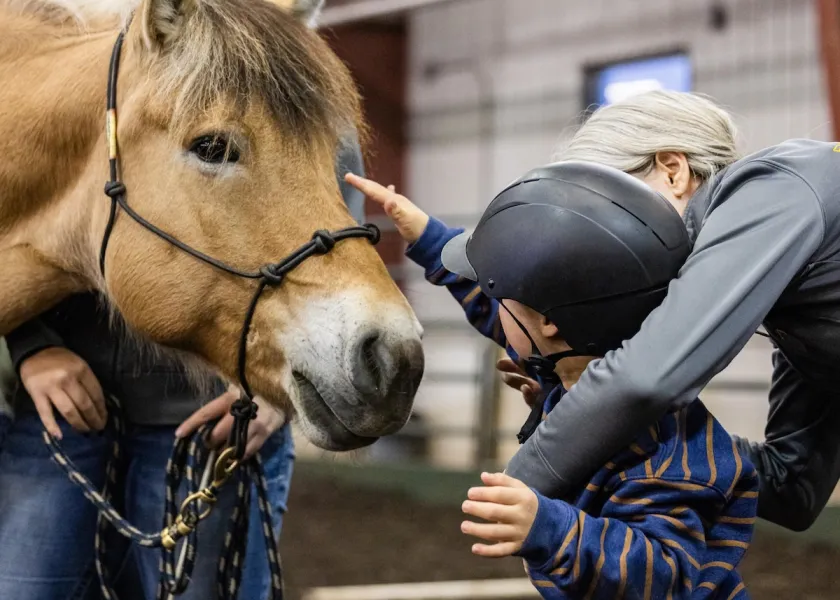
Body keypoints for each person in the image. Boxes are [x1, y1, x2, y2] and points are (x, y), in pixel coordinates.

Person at [346, 164, 758, 598]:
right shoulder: (572, 364)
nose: (491, 302)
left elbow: (662, 573)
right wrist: (426, 236)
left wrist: (549, 528)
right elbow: (516, 323)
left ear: (548, 323)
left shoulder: (664, 446)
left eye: (498, 293)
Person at [0, 139, 367, 600]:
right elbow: (18, 221)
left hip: (209, 421)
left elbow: (329, 257)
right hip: (59, 412)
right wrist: (32, 346)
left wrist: (275, 389)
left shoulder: (316, 121)